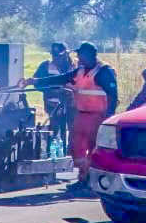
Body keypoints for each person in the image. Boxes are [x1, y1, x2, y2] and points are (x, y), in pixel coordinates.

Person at [28, 41, 118, 187]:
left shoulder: (104, 71)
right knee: (77, 146)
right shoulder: (80, 71)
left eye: (80, 54)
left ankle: (90, 179)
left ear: (90, 55)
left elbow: (113, 95)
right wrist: (36, 81)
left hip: (97, 116)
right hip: (81, 114)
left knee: (94, 147)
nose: (78, 57)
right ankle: (82, 176)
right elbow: (62, 78)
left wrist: (109, 116)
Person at [33, 42, 74, 152]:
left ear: (67, 54)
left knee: (73, 132)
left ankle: (70, 155)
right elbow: (37, 83)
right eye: (54, 56)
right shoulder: (45, 66)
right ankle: (51, 154)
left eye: (59, 56)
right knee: (54, 131)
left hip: (72, 106)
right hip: (53, 106)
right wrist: (53, 92)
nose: (56, 58)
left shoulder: (76, 66)